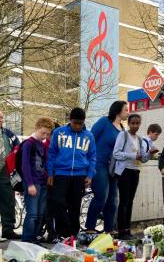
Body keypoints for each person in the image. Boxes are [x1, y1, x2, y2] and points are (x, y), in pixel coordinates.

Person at [47, 108, 96, 239]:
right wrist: (50, 173)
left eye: (81, 123)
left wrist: (90, 175)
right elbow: (51, 153)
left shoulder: (88, 136)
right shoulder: (59, 132)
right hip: (61, 174)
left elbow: (92, 157)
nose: (78, 126)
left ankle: (73, 234)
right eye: (75, 123)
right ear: (70, 120)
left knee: (75, 205)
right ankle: (63, 232)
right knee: (58, 202)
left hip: (80, 175)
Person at [85, 101, 127, 234]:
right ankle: (90, 227)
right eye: (126, 110)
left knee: (113, 199)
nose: (128, 112)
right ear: (118, 111)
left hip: (114, 168)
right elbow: (90, 138)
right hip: (99, 164)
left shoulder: (123, 129)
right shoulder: (104, 122)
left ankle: (109, 229)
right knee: (101, 196)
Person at [112, 113, 156, 239]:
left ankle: (127, 229)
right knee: (124, 200)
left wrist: (150, 154)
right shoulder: (123, 135)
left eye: (137, 123)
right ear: (129, 123)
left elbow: (142, 158)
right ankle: (121, 230)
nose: (135, 126)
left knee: (130, 201)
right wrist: (132, 156)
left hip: (135, 171)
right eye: (133, 123)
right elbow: (116, 153)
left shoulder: (140, 139)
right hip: (124, 170)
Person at [0, 108, 21, 241]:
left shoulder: (9, 134)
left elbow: (18, 150)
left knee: (8, 200)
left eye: (2, 117)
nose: (1, 120)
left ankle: (8, 229)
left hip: (5, 171)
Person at [19, 118, 53, 243]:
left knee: (40, 214)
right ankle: (27, 240)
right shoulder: (29, 143)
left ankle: (35, 238)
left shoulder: (41, 144)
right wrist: (29, 184)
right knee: (32, 214)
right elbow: (25, 165)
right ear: (37, 128)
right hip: (33, 183)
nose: (44, 136)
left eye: (47, 134)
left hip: (42, 182)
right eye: (42, 133)